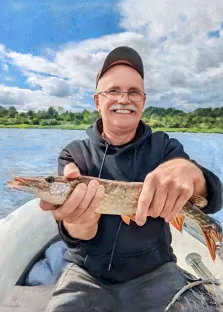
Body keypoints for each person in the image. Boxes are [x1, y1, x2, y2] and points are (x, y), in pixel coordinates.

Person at [41, 46, 222, 312]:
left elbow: (213, 198)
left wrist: (191, 173)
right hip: (88, 273)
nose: (124, 99)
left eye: (133, 92)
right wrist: (78, 224)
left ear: (143, 101)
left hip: (157, 270)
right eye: (113, 91)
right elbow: (77, 236)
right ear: (97, 101)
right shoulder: (75, 153)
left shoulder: (165, 147)